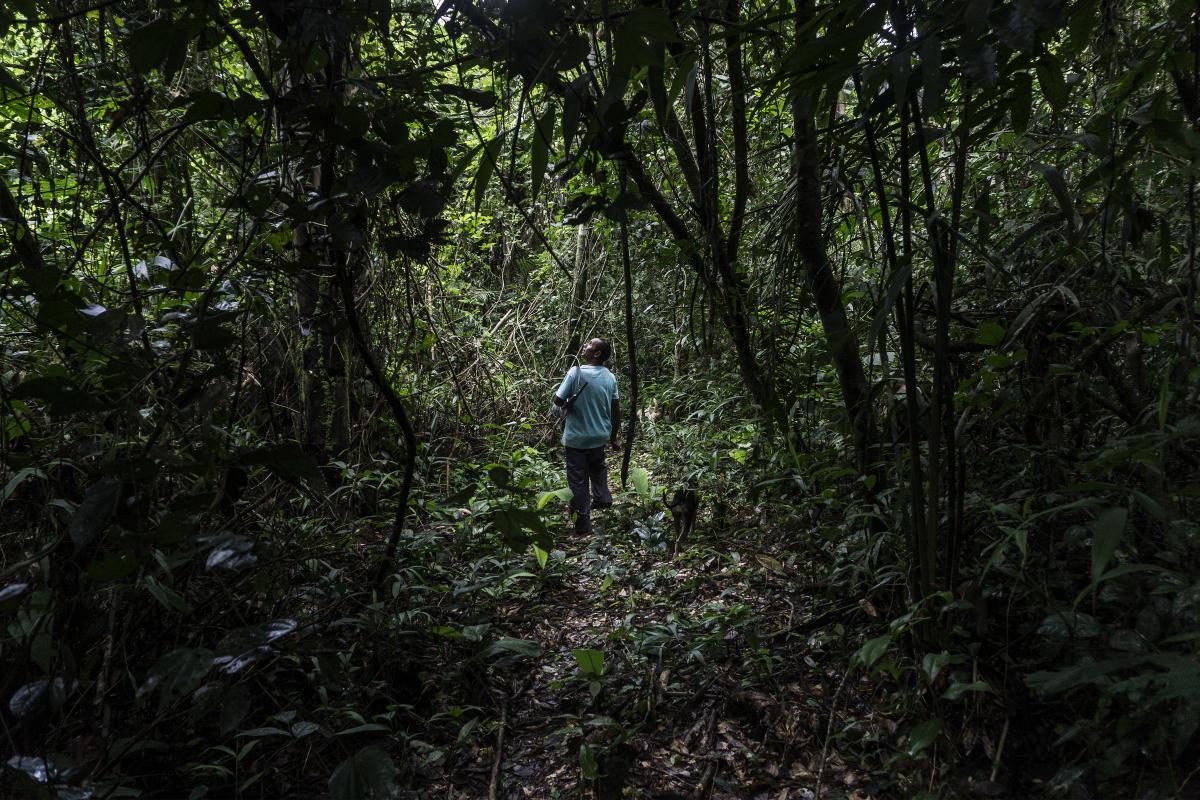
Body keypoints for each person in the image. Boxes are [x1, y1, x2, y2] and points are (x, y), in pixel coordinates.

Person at [553, 338, 621, 533]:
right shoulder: (610, 376)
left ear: (597, 353)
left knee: (577, 481)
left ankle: (583, 526)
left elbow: (556, 405)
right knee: (598, 469)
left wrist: (565, 406)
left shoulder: (576, 373)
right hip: (599, 437)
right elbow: (616, 410)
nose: (584, 346)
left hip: (577, 439)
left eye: (590, 344)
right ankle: (603, 498)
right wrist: (613, 436)